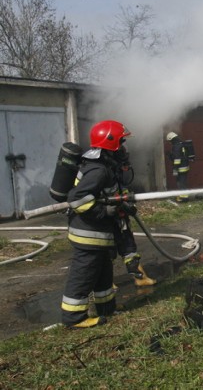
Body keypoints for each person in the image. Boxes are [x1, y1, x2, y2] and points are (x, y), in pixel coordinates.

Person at [61, 120, 155, 329]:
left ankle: (107, 308)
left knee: (103, 273)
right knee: (84, 275)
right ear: (111, 145)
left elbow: (108, 194)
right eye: (121, 143)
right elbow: (77, 199)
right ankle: (73, 318)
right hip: (88, 234)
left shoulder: (105, 168)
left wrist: (123, 204)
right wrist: (104, 211)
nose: (124, 148)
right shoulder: (98, 170)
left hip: (99, 234)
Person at [166, 131, 190, 202]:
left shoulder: (176, 146)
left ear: (172, 139)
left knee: (180, 183)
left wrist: (175, 169)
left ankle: (184, 198)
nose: (170, 143)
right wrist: (170, 155)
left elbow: (177, 159)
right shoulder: (181, 144)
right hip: (185, 166)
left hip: (180, 168)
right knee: (183, 182)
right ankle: (184, 196)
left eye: (170, 141)